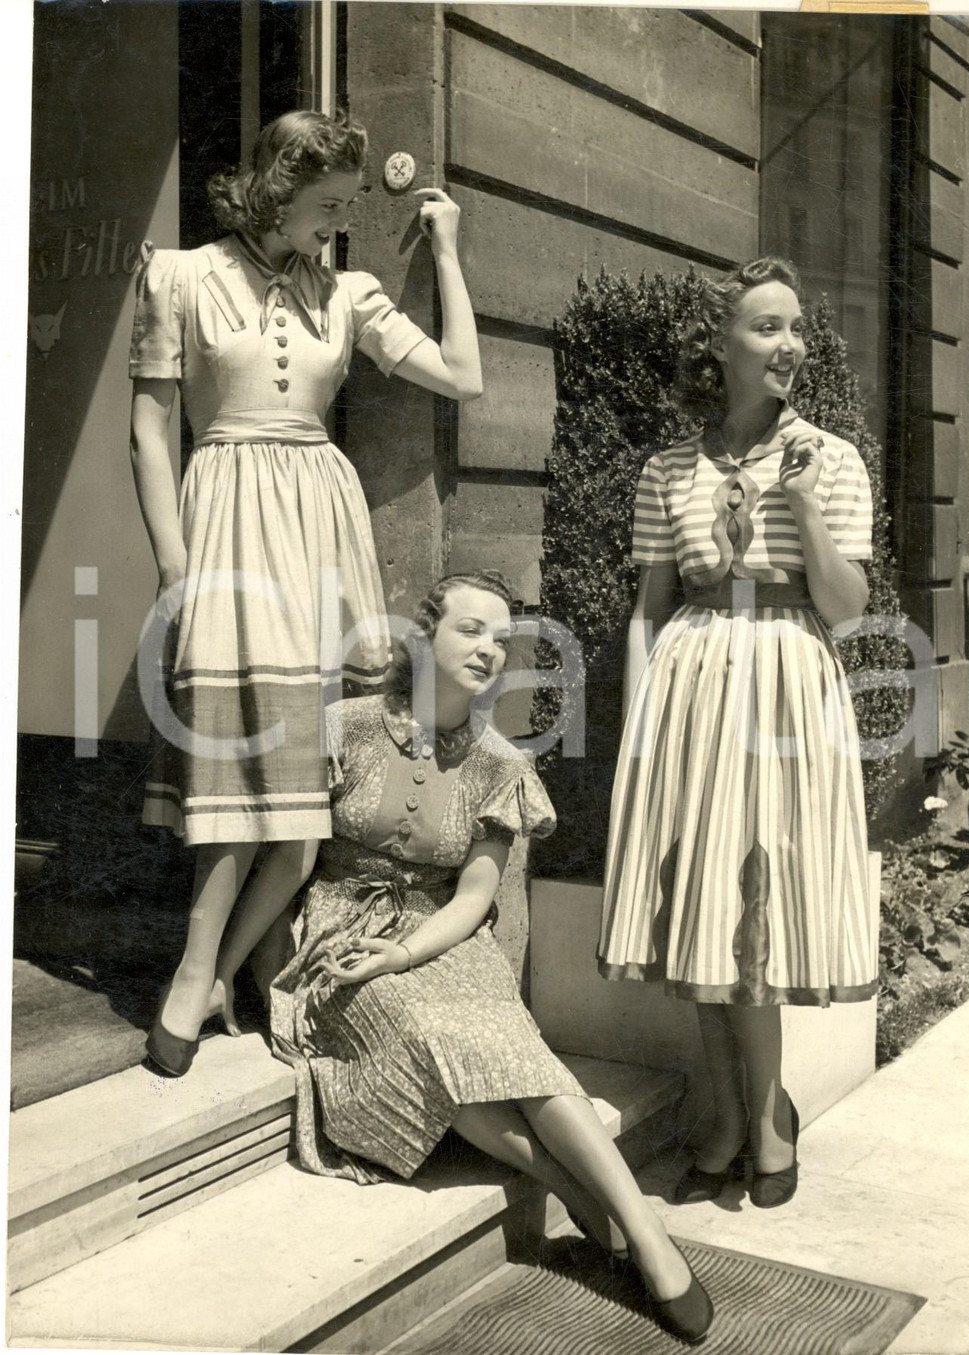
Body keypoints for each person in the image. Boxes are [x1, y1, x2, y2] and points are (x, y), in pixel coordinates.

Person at [219, 570, 714, 1344]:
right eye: (471, 629)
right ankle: (563, 1182)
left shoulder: (500, 762)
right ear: (423, 636)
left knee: (517, 1050)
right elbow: (288, 862)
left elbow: (472, 899)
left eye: (501, 639)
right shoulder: (342, 725)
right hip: (343, 932)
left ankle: (644, 1230)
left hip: (442, 934)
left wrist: (405, 952)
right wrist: (244, 963)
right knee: (430, 1038)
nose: (490, 649)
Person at [130, 109, 482, 1077]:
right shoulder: (182, 277)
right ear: (278, 185)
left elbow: (464, 373)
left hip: (322, 538)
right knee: (237, 788)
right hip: (229, 530)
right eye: (326, 204)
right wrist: (173, 565)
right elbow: (151, 433)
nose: (336, 224)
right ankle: (202, 971)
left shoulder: (348, 294)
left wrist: (445, 252)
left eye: (346, 208)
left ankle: (213, 973)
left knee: (299, 811)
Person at [598, 257, 876, 1210]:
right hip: (690, 692)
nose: (789, 343)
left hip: (788, 687)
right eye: (765, 327)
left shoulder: (831, 459)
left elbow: (848, 605)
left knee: (757, 907)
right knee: (706, 913)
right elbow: (650, 606)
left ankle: (766, 1120)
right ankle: (725, 1117)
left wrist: (797, 506)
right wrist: (640, 725)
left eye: (796, 326)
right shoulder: (669, 468)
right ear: (718, 347)